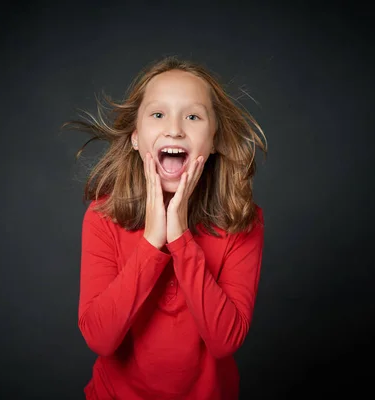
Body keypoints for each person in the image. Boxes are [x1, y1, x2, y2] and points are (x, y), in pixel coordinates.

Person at [65, 56, 267, 400]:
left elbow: (225, 342)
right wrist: (152, 242)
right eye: (158, 114)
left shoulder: (243, 221)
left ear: (215, 139)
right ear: (135, 138)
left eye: (193, 116)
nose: (174, 128)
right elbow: (99, 338)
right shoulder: (103, 216)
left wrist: (180, 239)